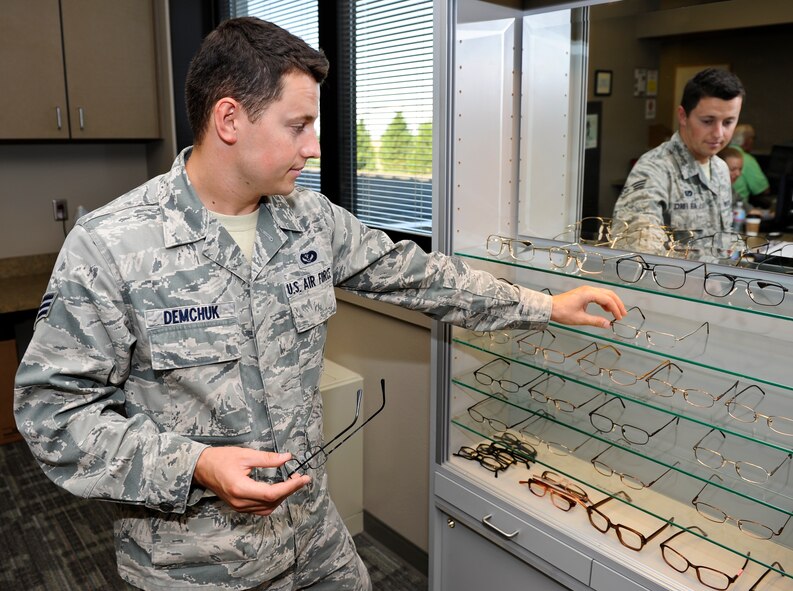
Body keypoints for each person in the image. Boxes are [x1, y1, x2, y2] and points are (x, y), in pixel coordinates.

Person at [14, 17, 626, 591]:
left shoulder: (311, 221)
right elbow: (52, 413)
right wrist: (195, 464)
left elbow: (419, 276)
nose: (314, 147)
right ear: (229, 119)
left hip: (312, 538)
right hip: (196, 563)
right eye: (297, 125)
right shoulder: (112, 247)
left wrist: (544, 304)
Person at [612, 68, 744, 255]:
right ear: (683, 116)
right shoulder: (655, 169)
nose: (718, 133)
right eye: (708, 121)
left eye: (728, 122)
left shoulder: (721, 168)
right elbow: (633, 252)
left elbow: (724, 240)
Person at [729, 123, 770, 201]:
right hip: (738, 205)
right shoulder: (746, 159)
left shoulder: (721, 153)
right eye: (753, 138)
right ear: (748, 141)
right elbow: (763, 190)